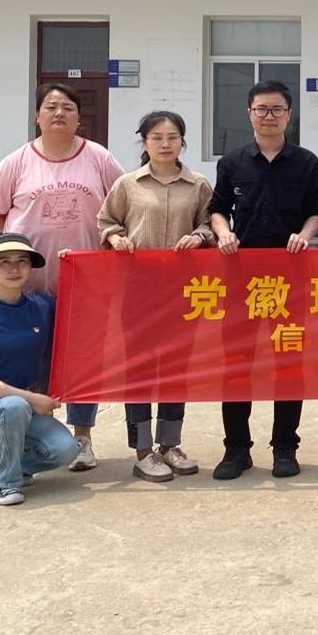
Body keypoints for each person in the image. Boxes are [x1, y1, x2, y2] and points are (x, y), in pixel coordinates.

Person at [0, 83, 123, 473]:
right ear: (37, 116)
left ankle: (83, 438)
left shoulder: (98, 158)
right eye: (51, 106)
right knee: (29, 361)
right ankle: (29, 435)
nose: (59, 113)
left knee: (83, 364)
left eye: (67, 107)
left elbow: (122, 204)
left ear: (79, 117)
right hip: (28, 286)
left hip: (86, 285)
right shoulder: (16, 162)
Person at [209, 80, 318, 481]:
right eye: (261, 109)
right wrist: (224, 232)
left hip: (291, 278)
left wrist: (305, 234)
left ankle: (285, 446)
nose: (269, 116)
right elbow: (218, 208)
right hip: (241, 278)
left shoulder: (307, 162)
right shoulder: (232, 162)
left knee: (288, 362)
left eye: (277, 109)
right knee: (236, 362)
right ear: (249, 113)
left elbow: (315, 212)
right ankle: (236, 448)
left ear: (289, 115)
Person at [97, 110, 215, 483]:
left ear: (183, 142)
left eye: (172, 137)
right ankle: (143, 450)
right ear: (144, 142)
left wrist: (200, 236)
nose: (165, 144)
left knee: (176, 369)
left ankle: (170, 445)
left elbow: (210, 223)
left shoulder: (198, 185)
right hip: (138, 292)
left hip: (183, 292)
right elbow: (106, 221)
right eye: (157, 138)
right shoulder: (127, 184)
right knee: (140, 369)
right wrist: (115, 237)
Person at [0, 233, 81, 505]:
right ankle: (7, 483)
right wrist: (33, 399)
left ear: (30, 268)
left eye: (21, 261)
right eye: (4, 262)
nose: (14, 268)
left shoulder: (42, 306)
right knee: (13, 406)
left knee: (67, 450)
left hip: (28, 410)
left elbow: (80, 304)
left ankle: (17, 464)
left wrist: (77, 265)